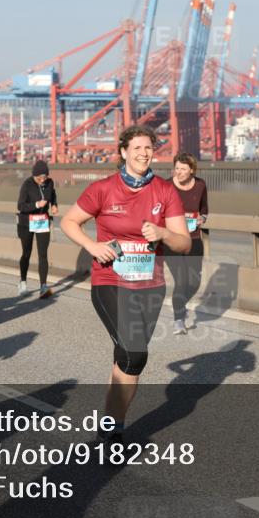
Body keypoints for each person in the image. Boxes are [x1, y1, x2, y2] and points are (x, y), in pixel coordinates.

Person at [61, 125, 190, 447]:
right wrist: (92, 247)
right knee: (135, 354)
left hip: (150, 284)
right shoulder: (103, 189)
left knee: (127, 359)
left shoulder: (165, 190)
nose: (144, 153)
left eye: (148, 148)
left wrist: (162, 235)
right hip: (110, 280)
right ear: (123, 152)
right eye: (136, 148)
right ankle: (115, 431)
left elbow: (184, 243)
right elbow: (68, 221)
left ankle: (110, 427)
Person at [167, 152, 208, 335]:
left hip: (194, 239)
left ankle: (180, 305)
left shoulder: (200, 185)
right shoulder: (166, 186)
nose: (179, 172)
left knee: (194, 282)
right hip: (172, 241)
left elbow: (204, 209)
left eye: (183, 169)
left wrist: (202, 219)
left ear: (192, 170)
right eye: (176, 169)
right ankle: (178, 320)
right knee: (182, 280)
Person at [16, 159, 58, 298]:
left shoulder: (50, 183)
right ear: (34, 176)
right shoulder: (27, 185)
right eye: (39, 178)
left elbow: (52, 194)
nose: (42, 180)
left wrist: (54, 204)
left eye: (44, 177)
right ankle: (22, 282)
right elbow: (20, 206)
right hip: (26, 223)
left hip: (42, 222)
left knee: (43, 254)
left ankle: (43, 286)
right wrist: (36, 205)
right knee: (26, 253)